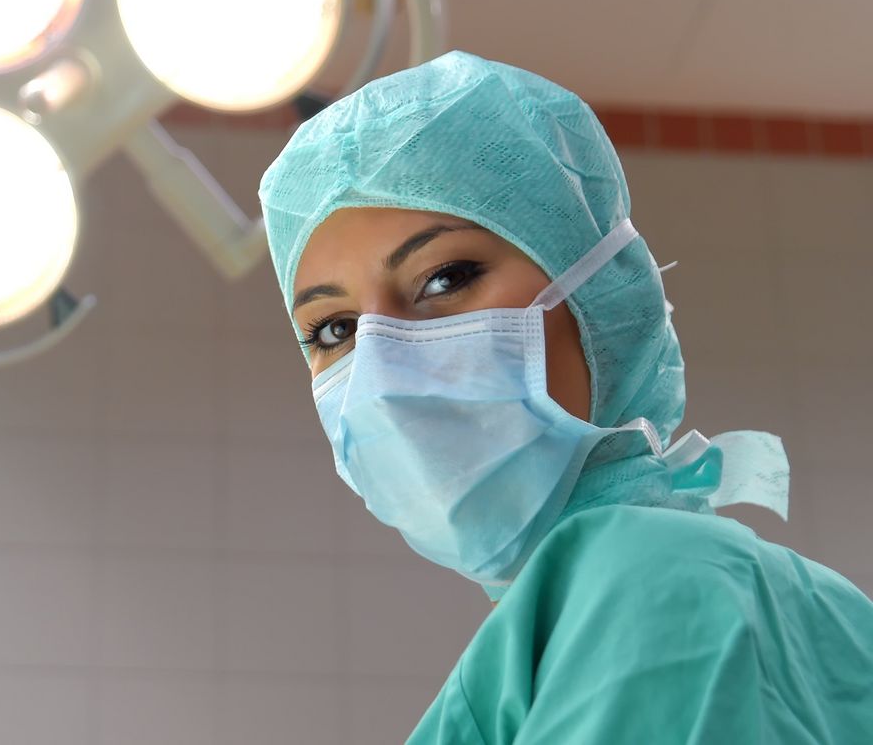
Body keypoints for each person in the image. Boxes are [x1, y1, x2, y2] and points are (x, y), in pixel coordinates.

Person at [257, 51, 873, 743]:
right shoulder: (558, 633)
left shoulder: (655, 578)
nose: (384, 365)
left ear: (600, 293)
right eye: (335, 329)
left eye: (445, 278)